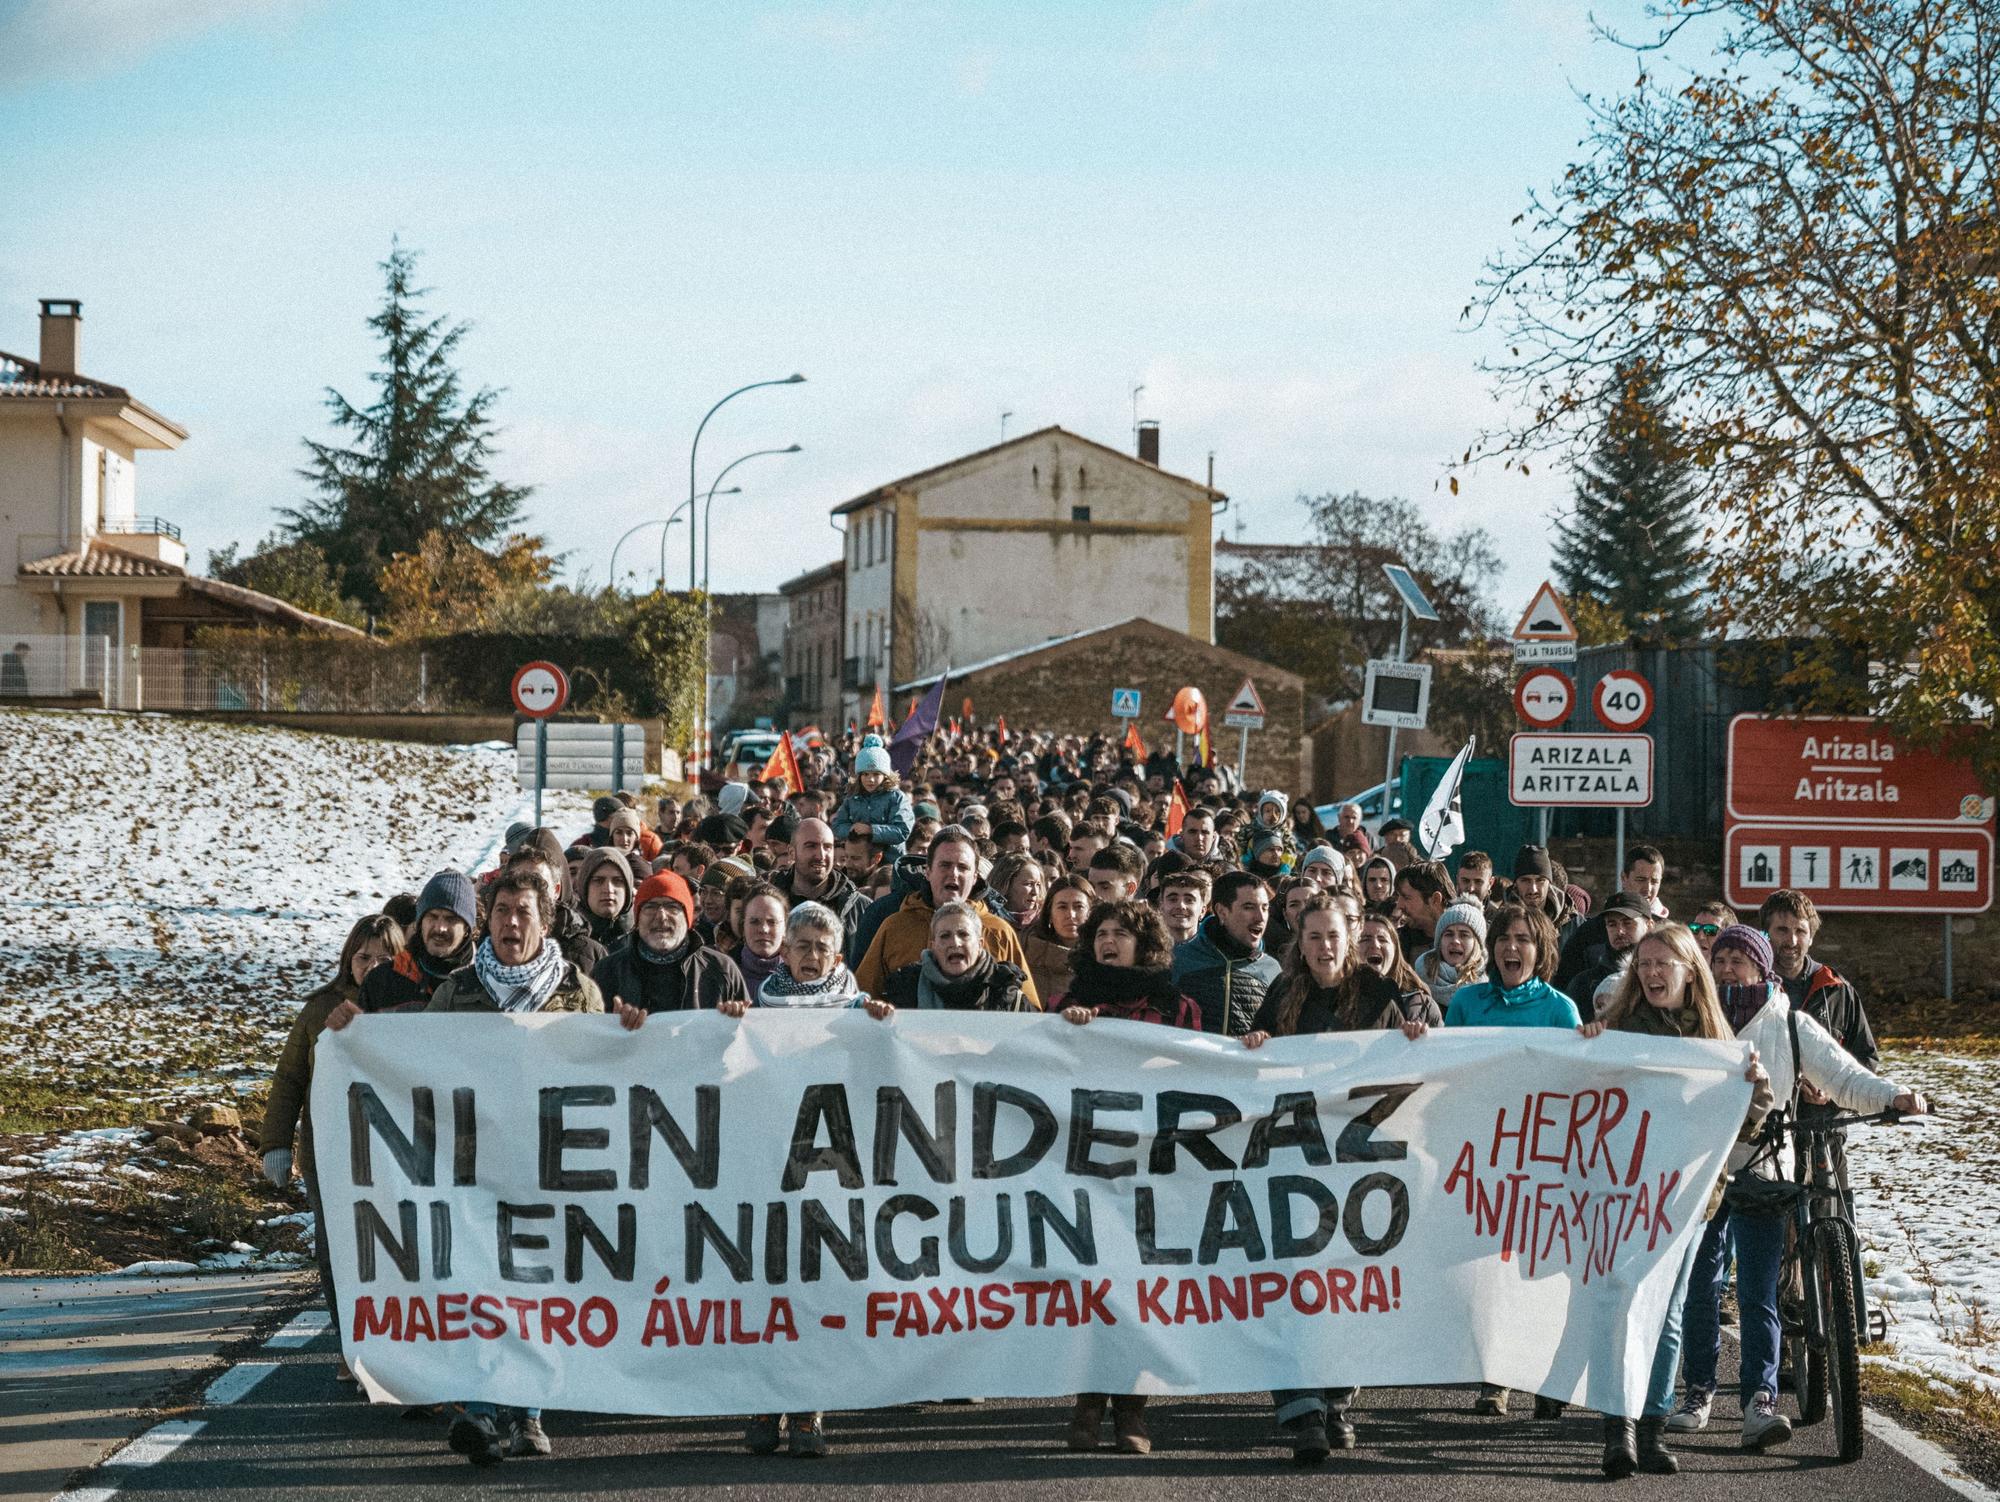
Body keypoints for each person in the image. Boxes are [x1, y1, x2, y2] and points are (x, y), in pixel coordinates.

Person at [325, 869, 605, 1465]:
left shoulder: (578, 991)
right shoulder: (459, 989)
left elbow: (604, 1068)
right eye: (501, 911)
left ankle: (528, 1414)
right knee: (481, 1280)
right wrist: (358, 1033)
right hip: (474, 1167)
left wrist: (631, 1033)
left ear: (544, 921)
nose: (510, 923)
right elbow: (415, 1062)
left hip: (549, 1169)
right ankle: (479, 1412)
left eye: (522, 913)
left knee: (537, 1287)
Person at [1672, 925, 1926, 1451]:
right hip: (1701, 1171)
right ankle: (1697, 1390)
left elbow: (1843, 1076)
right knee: (1701, 1285)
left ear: (1762, 968)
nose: (1725, 970)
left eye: (1737, 960)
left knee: (1759, 1289)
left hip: (1765, 1171)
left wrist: (1893, 1096)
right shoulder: (1691, 1020)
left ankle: (1758, 1402)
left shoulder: (1791, 1024)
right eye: (1718, 960)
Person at [1575, 925, 1775, 1477]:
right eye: (1644, 965)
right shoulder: (1615, 1030)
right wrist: (1586, 1047)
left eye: (1663, 963)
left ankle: (1653, 1426)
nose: (1652, 973)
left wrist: (1751, 1089)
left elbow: (1745, 1128)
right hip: (1619, 1195)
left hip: (1687, 1202)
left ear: (1691, 970)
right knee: (1618, 1305)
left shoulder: (1717, 1044)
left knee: (1666, 1313)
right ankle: (1617, 1428)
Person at [1402, 903, 1581, 1416]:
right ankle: (1497, 1378)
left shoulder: (1560, 1010)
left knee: (1540, 1271)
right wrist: (1419, 1043)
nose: (1511, 947)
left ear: (1540, 950)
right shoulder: (1467, 1003)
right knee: (1492, 1271)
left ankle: (1547, 1378)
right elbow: (1447, 1072)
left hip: (1544, 1161)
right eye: (1503, 938)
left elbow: (1574, 1087)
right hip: (1484, 1157)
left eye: (1523, 939)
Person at [1054, 899, 1200, 1454]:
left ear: (1145, 944)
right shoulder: (1069, 1005)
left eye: (1120, 933)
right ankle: (1089, 1402)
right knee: (1092, 1282)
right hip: (1086, 1164)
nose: (1108, 942)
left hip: (1152, 1168)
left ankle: (1132, 1409)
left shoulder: (1177, 1009)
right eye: (1100, 934)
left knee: (1139, 1287)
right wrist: (1066, 1033)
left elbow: (1198, 1074)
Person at [261, 913, 404, 1378]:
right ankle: (350, 1345)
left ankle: (398, 1345)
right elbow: (289, 1080)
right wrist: (275, 1144)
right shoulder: (319, 1009)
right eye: (364, 957)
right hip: (330, 1154)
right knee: (338, 1248)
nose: (372, 965)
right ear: (348, 958)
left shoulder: (415, 1006)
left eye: (384, 957)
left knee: (394, 1249)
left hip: (394, 1153)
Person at [853, 826, 1040, 1005]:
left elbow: (1026, 1008)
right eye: (945, 865)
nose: (954, 874)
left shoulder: (999, 931)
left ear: (975, 877)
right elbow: (861, 999)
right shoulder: (895, 927)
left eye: (963, 867)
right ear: (928, 872)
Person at [592, 871, 749, 1014]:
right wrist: (613, 1028)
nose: (661, 916)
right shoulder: (608, 972)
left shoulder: (721, 969)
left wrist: (734, 1020)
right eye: (650, 907)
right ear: (637, 919)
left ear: (688, 918)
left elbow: (743, 1038)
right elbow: (591, 1037)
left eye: (672, 907)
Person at [1171, 870, 1281, 1037]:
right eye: (1249, 907)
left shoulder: (1272, 970)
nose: (1260, 917)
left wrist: (1264, 1037)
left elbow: (1283, 1034)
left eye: (1265, 908)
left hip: (1245, 1063)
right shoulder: (1178, 960)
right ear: (1222, 912)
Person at [880, 901, 1036, 1011]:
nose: (955, 942)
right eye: (945, 936)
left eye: (963, 934)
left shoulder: (1006, 993)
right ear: (933, 946)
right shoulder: (906, 988)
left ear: (980, 944)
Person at [360, 870, 476, 1011]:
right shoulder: (382, 981)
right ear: (420, 923)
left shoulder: (483, 982)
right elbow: (358, 1031)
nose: (440, 928)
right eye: (432, 916)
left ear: (467, 929)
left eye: (450, 919)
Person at [1555, 845, 1669, 988]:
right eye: (1641, 879)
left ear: (1649, 925)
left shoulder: (1669, 936)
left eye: (1654, 881)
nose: (1648, 888)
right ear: (1623, 877)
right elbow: (1567, 985)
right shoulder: (1589, 933)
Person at [739, 900, 870, 1010]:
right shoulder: (764, 998)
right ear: (785, 953)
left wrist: (878, 1014)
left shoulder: (856, 1007)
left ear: (836, 961)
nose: (812, 955)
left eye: (822, 949)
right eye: (803, 947)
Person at [772, 817, 870, 951]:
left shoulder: (861, 908)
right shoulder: (770, 903)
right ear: (792, 853)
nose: (821, 855)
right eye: (811, 846)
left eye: (827, 847)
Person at [1562, 889, 1650, 1018]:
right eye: (1612, 924)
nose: (1619, 931)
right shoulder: (1583, 985)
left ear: (1649, 925)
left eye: (1627, 923)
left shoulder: (1658, 979)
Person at [831, 735, 916, 861]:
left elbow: (902, 830)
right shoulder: (852, 797)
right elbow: (838, 825)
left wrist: (871, 830)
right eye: (865, 774)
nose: (870, 779)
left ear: (885, 775)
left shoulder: (896, 797)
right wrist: (852, 830)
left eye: (876, 774)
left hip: (890, 861)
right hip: (859, 862)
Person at [1354, 910, 1438, 1022]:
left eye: (1382, 939)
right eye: (1365, 939)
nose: (1375, 945)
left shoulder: (1422, 1004)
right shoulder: (1335, 998)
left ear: (1395, 950)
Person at [1022, 872, 1091, 1003]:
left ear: (1090, 912)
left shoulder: (1103, 958)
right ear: (1050, 914)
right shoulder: (1027, 954)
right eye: (1062, 907)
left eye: (1078, 907)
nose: (1071, 914)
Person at [1414, 900, 1487, 1012]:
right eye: (1449, 934)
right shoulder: (1417, 982)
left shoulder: (1490, 988)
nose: (1455, 941)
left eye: (1464, 935)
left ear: (1476, 943)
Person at [1510, 845, 1581, 951]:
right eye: (1525, 880)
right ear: (1516, 884)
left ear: (1549, 884)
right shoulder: (1500, 923)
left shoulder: (1575, 926)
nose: (1533, 889)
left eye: (1540, 880)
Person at [731, 880, 791, 997]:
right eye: (754, 922)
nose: (764, 929)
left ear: (785, 928)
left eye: (772, 922)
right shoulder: (722, 974)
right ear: (743, 926)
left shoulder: (801, 977)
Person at [576, 847, 636, 950]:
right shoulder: (567, 938)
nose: (608, 889)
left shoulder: (644, 939)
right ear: (584, 887)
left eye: (617, 880)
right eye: (598, 880)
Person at [1392, 860, 1453, 961]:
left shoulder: (1468, 942)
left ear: (1435, 900)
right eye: (1398, 896)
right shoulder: (1396, 943)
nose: (1399, 905)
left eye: (1406, 897)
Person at [988, 851, 1047, 934]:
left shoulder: (1047, 923)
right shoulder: (987, 921)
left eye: (1038, 885)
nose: (1035, 892)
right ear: (1006, 884)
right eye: (1028, 884)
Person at [1154, 866, 1211, 946]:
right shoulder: (1146, 950)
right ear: (1161, 907)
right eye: (1173, 899)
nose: (1181, 906)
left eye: (1189, 900)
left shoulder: (1215, 951)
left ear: (1202, 911)